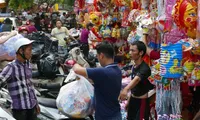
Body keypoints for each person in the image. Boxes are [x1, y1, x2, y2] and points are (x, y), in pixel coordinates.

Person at [73, 41, 122, 120]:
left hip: (105, 117)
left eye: (98, 56)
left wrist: (75, 62)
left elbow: (76, 70)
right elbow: (99, 82)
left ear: (102, 55)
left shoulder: (102, 72)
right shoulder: (117, 70)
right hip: (115, 114)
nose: (98, 59)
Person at [0, 38, 40, 120]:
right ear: (21, 51)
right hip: (20, 110)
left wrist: (36, 104)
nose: (31, 52)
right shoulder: (11, 67)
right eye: (29, 50)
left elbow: (30, 86)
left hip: (31, 107)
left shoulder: (27, 64)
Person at [119, 41, 152, 120]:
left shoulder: (145, 68)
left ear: (140, 53)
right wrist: (129, 102)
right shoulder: (134, 66)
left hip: (141, 102)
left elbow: (137, 79)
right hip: (133, 100)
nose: (130, 53)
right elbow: (134, 86)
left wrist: (126, 89)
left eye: (133, 50)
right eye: (130, 50)